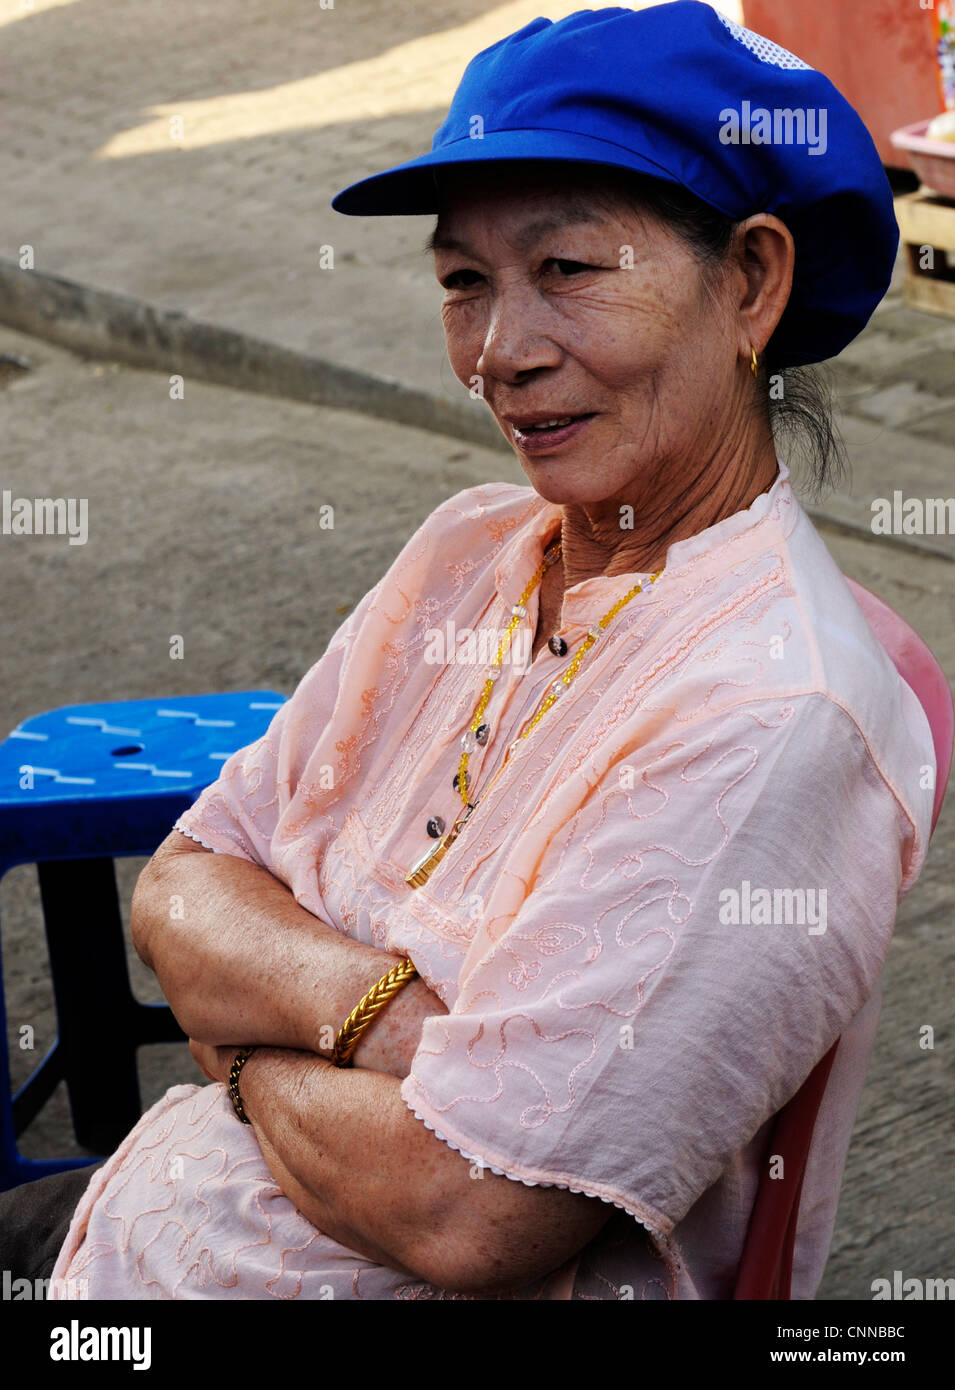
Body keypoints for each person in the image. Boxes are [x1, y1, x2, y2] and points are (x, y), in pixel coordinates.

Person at [4, 2, 936, 1300]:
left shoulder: (774, 712)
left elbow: (470, 1211)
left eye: (568, 271)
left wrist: (250, 1037)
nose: (499, 353)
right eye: (462, 281)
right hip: (141, 1226)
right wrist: (375, 1011)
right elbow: (183, 882)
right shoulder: (472, 546)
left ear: (752, 283)